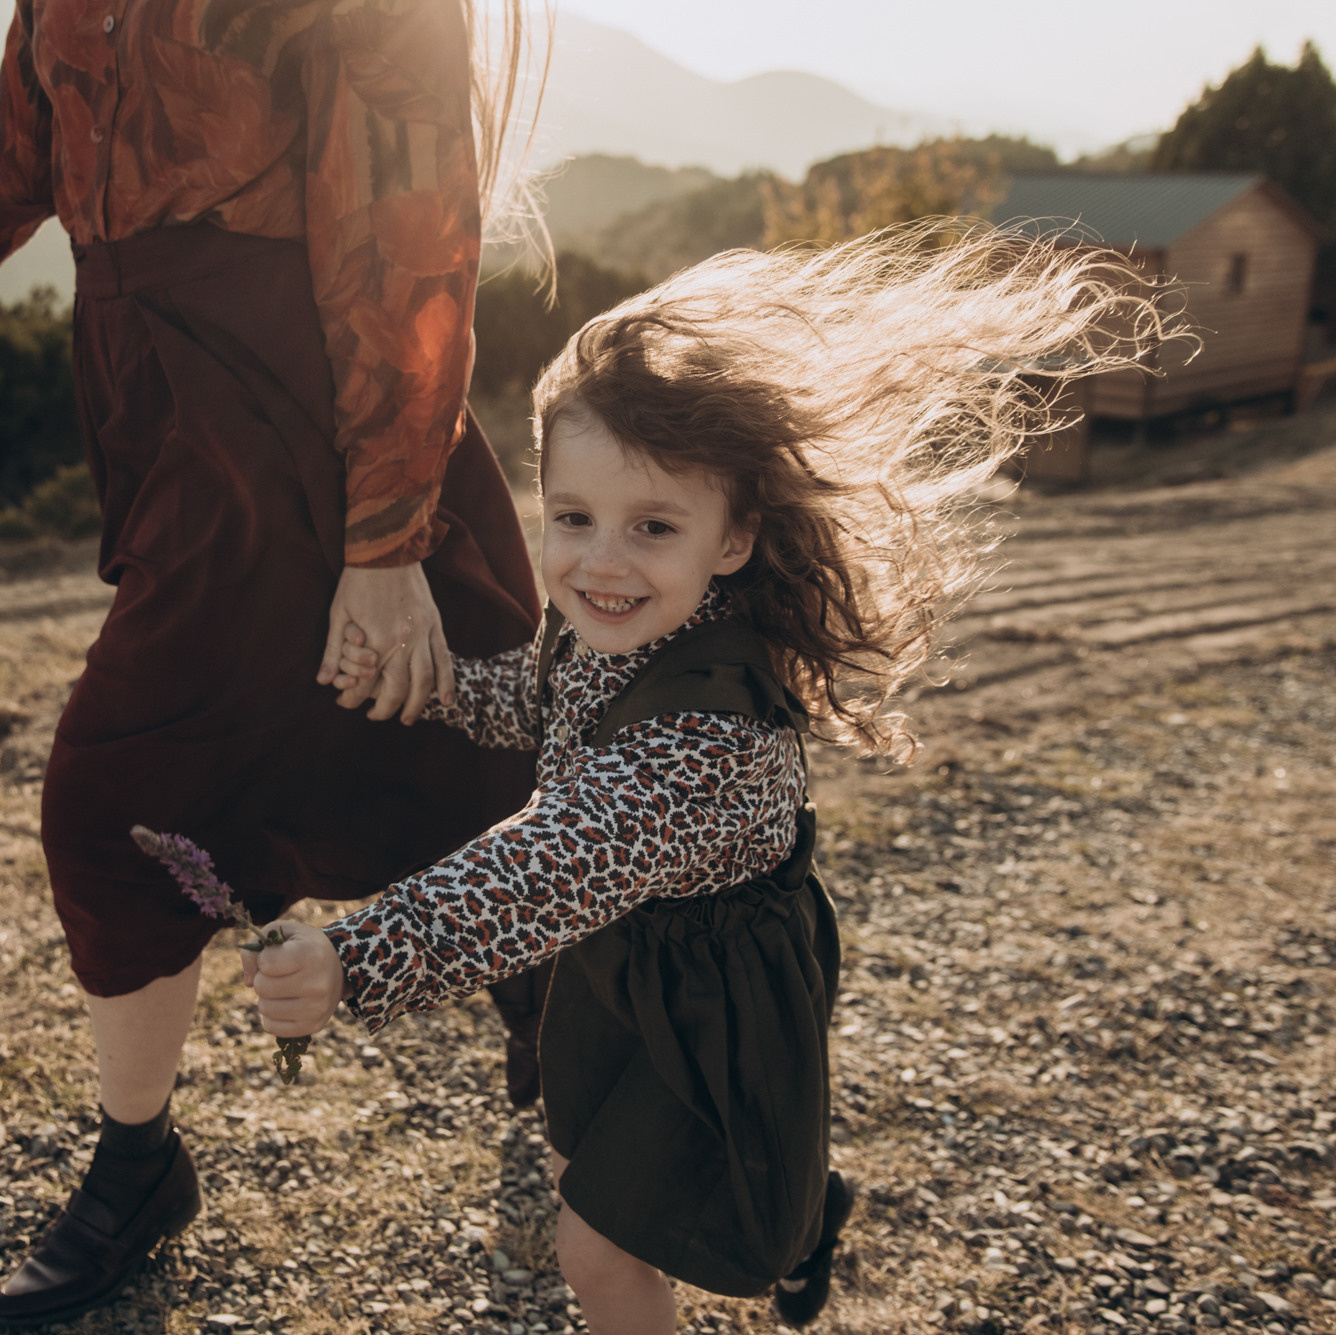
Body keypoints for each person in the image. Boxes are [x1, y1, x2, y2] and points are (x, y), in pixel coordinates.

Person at [0, 0, 555, 1328]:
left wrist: (385, 542)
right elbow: (9, 175)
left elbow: (412, 242)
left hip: (302, 416)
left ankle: (142, 1163)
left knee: (121, 791)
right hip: (158, 413)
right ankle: (576, 1046)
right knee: (453, 752)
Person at [248, 223, 1174, 1332]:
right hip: (618, 959)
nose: (600, 560)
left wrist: (359, 954)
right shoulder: (601, 628)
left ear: (730, 541)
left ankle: (799, 1219)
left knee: (596, 1244)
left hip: (717, 995)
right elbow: (542, 713)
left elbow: (554, 862)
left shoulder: (706, 740)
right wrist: (435, 686)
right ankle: (797, 1207)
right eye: (574, 518)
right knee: (582, 1174)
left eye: (652, 526)